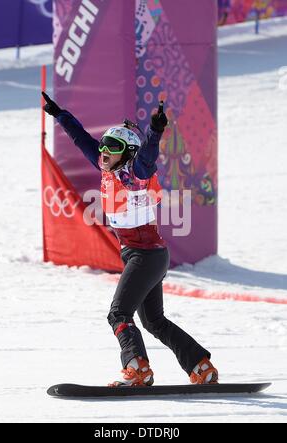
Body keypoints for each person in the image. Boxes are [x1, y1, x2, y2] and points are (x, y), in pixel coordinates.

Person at [42, 92, 219, 387]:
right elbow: (81, 138)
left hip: (145, 255)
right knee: (153, 321)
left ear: (127, 152)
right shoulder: (105, 166)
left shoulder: (138, 173)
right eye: (104, 145)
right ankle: (201, 366)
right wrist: (60, 115)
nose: (104, 150)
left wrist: (156, 130)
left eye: (112, 146)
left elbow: (148, 153)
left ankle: (137, 369)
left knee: (118, 313)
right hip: (144, 255)